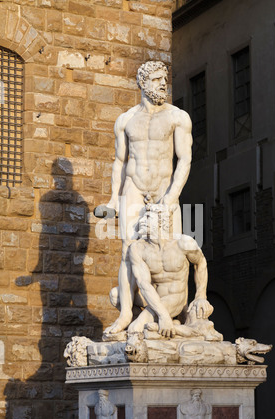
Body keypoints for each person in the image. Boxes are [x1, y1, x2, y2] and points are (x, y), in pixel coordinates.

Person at [94, 61, 193, 338]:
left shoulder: (178, 117)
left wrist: (172, 196)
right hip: (134, 187)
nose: (164, 84)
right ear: (143, 82)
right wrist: (114, 199)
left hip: (164, 189)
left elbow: (184, 159)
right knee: (129, 250)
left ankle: (175, 312)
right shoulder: (125, 120)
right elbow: (119, 161)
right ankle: (127, 313)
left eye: (165, 79)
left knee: (170, 248)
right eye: (158, 79)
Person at [127, 203, 213, 338]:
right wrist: (163, 315)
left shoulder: (183, 243)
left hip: (175, 297)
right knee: (115, 296)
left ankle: (151, 323)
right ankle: (160, 324)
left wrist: (201, 295)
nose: (141, 222)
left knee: (135, 328)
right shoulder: (138, 248)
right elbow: (144, 284)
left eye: (147, 218)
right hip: (151, 297)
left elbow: (200, 262)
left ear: (162, 221)